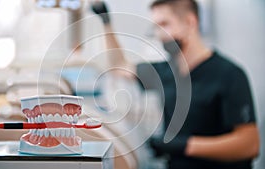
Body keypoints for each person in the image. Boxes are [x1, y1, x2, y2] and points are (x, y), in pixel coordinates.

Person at [91, 0, 260, 169]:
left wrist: (186, 145)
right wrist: (105, 21)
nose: (159, 34)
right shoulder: (165, 72)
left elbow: (249, 145)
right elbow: (119, 66)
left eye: (165, 24)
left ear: (190, 22)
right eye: (156, 27)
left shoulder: (230, 74)